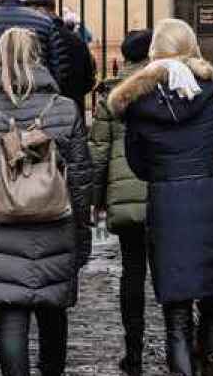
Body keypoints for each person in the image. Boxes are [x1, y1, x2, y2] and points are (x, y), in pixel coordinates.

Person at [107, 18, 213, 376]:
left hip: (168, 209)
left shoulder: (137, 104)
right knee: (212, 301)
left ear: (155, 53)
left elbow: (138, 165)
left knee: (177, 317)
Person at [0, 28, 93, 376]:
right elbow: (82, 176)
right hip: (55, 219)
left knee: (10, 316)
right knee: (52, 309)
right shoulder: (65, 109)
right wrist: (82, 228)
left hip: (0, 224)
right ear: (38, 58)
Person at [89, 29, 152, 376]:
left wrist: (96, 201)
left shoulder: (111, 95)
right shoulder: (163, 87)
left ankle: (134, 350)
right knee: (168, 270)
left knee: (132, 272)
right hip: (161, 195)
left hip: (125, 199)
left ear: (124, 57)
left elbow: (97, 154)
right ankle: (180, 343)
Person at [23, 0, 97, 104]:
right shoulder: (76, 39)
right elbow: (89, 80)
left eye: (29, 11)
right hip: (73, 109)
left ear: (40, 10)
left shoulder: (34, 38)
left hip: (44, 110)